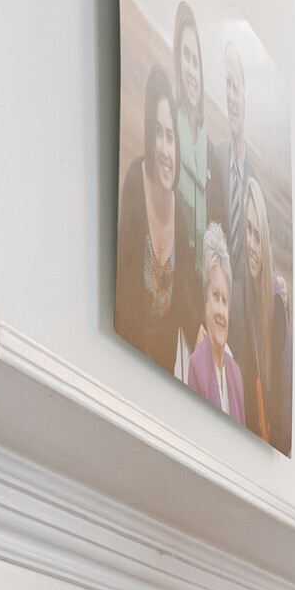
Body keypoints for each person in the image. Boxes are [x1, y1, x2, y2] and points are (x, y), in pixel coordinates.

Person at [112, 67, 187, 373]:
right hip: (124, 369)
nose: (165, 149)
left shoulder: (181, 213)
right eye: (158, 133)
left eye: (170, 136)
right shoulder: (134, 182)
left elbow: (185, 306)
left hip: (162, 381)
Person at [228, 175, 290, 451]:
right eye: (247, 230)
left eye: (257, 234)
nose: (252, 245)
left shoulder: (275, 303)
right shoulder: (241, 292)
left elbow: (280, 397)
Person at [183, 222, 244, 424]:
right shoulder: (196, 365)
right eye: (215, 296)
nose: (220, 310)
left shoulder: (236, 374)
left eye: (224, 300)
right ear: (206, 301)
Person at [171, 2, 211, 277]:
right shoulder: (169, 132)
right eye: (186, 57)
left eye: (196, 61)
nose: (191, 70)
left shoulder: (211, 153)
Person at [211, 44, 253, 271]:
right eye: (228, 84)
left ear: (246, 103)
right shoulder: (213, 159)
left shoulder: (255, 187)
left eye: (237, 88)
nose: (231, 96)